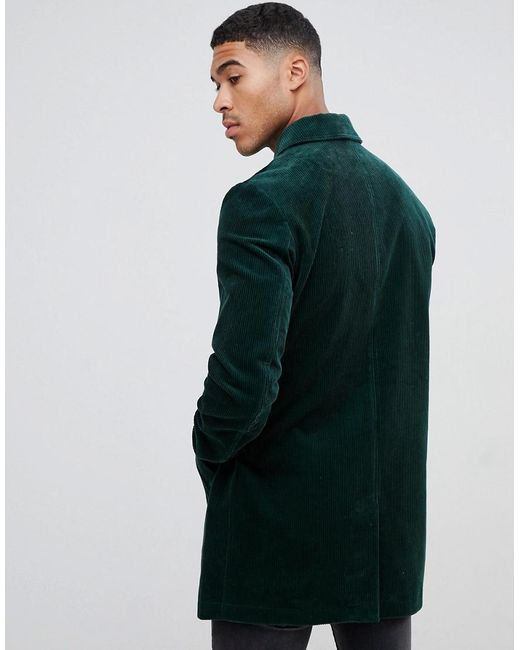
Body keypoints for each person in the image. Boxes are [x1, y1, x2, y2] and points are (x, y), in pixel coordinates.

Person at [192, 3, 436, 649]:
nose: (220, 101)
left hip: (274, 521)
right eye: (215, 85)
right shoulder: (407, 206)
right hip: (385, 536)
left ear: (295, 71)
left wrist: (210, 452)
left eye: (233, 77)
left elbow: (244, 380)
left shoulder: (261, 202)